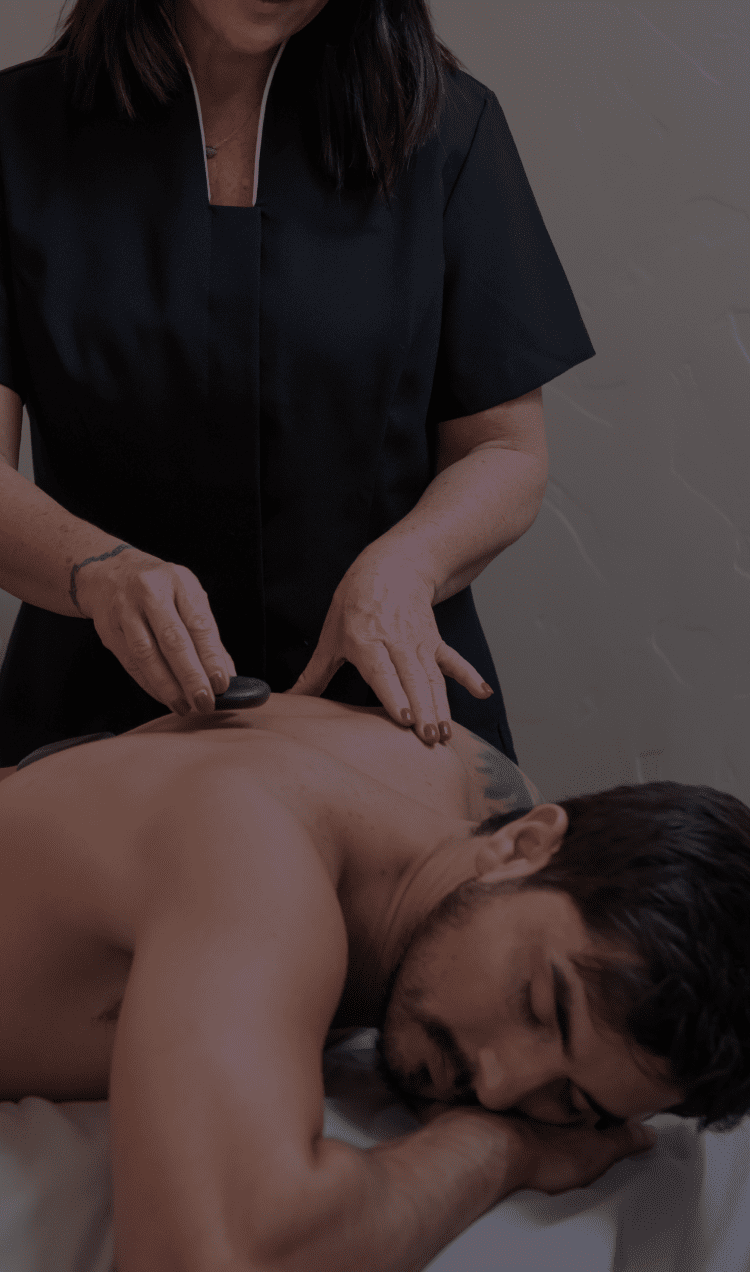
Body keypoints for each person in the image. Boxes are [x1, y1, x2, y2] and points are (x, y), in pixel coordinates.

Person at [0, 0, 596, 767]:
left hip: (383, 713)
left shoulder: (446, 128)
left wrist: (407, 565)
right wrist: (98, 573)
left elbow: (505, 451)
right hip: (96, 724)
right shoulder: (16, 131)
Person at [1, 695, 749, 1272]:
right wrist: (499, 1149)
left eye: (571, 1102)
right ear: (524, 844)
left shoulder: (462, 781)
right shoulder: (257, 860)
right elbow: (214, 1257)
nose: (499, 1084)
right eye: (541, 1006)